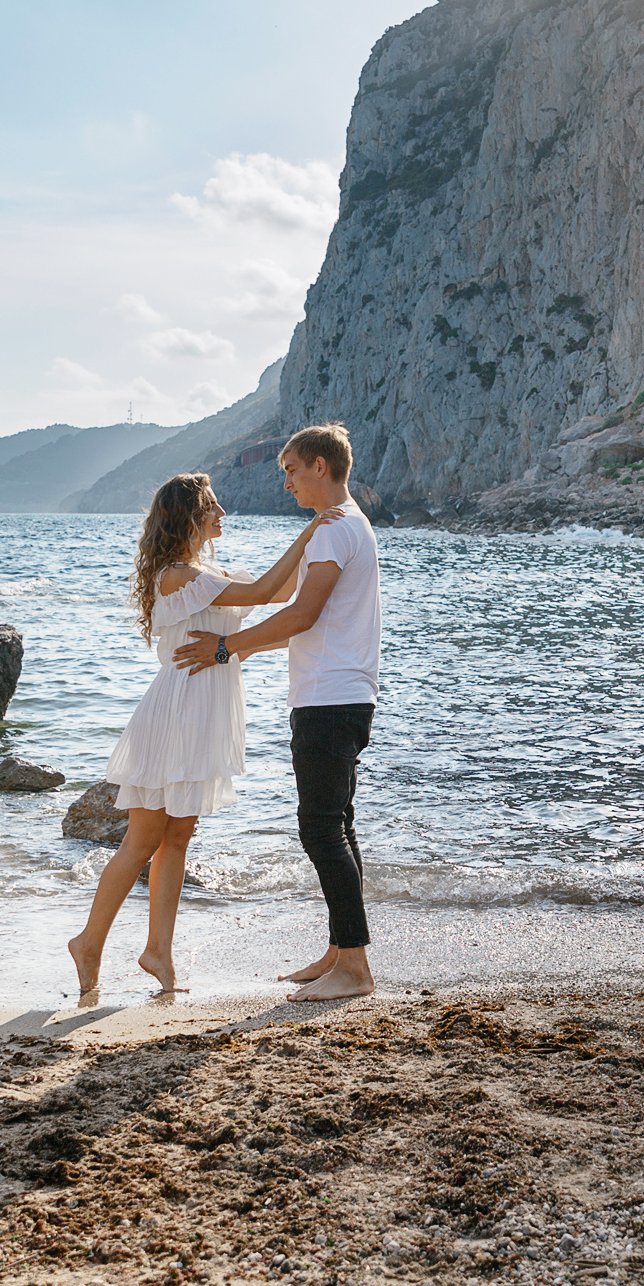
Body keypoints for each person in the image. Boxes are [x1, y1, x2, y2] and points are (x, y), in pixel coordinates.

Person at [66, 472, 342, 1007]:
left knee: (178, 837)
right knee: (143, 840)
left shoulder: (208, 574)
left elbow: (279, 591)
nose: (222, 515)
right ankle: (89, 942)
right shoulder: (177, 575)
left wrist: (321, 548)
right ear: (188, 516)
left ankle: (157, 952)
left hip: (198, 711)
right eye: (213, 507)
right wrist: (310, 531)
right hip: (178, 713)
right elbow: (264, 589)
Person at [175, 422, 382, 1002]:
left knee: (320, 829)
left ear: (321, 466)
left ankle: (356, 970)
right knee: (338, 824)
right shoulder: (345, 527)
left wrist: (225, 647)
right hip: (343, 692)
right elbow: (292, 608)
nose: (287, 481)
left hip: (329, 696)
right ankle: (343, 950)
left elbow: (301, 615)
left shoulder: (333, 533)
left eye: (292, 469)